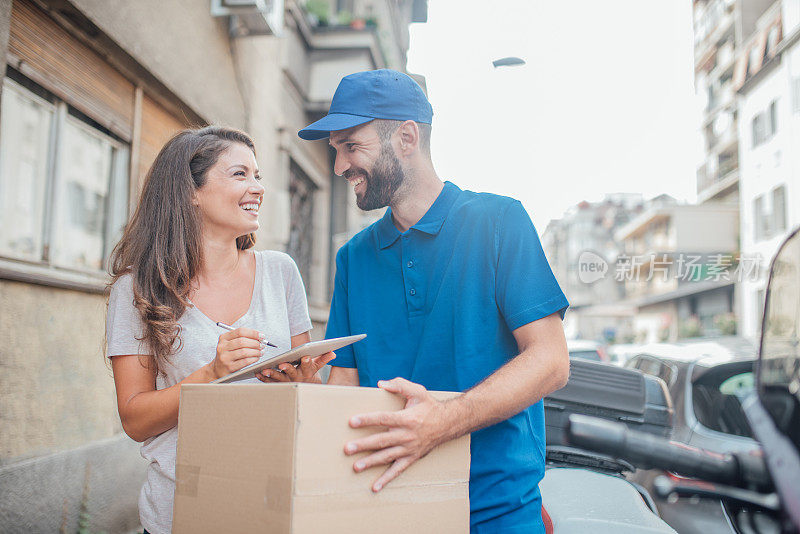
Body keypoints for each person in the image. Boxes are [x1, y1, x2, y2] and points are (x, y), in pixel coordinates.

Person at [296, 70, 571, 533]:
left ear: (406, 136)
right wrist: (302, 394)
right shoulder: (354, 259)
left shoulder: (500, 221)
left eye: (350, 146)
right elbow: (346, 383)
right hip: (383, 507)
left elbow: (551, 361)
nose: (340, 166)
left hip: (495, 510)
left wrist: (441, 422)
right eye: (335, 151)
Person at [105, 126, 333, 534]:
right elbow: (135, 420)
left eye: (258, 175)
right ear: (190, 191)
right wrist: (211, 374)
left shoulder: (280, 273)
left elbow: (308, 400)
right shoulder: (137, 288)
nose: (258, 187)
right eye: (240, 174)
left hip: (271, 506)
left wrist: (303, 381)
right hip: (180, 513)